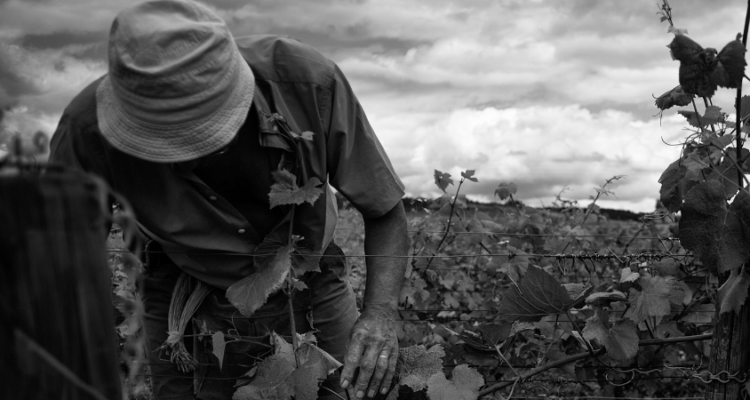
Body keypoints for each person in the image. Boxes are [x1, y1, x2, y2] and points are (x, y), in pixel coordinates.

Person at [48, 0, 408, 399]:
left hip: (311, 282)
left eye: (202, 134)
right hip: (179, 295)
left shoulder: (307, 84)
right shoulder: (85, 131)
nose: (186, 153)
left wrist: (380, 313)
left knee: (346, 392)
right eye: (163, 142)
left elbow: (385, 209)